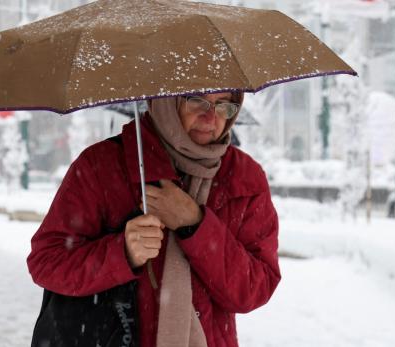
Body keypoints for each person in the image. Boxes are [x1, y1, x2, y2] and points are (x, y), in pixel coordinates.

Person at [27, 91, 281, 347]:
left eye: (224, 105)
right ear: (166, 102)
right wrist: (122, 253)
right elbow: (46, 262)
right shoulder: (100, 166)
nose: (210, 117)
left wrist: (194, 222)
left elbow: (254, 289)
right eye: (196, 100)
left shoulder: (244, 177)